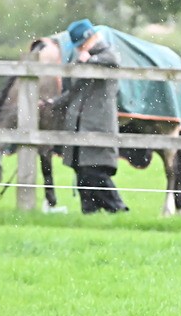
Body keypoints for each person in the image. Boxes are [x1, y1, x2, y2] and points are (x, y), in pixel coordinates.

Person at [44, 19, 129, 214]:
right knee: (82, 174)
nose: (79, 49)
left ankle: (118, 210)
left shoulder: (106, 54)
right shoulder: (83, 59)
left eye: (81, 44)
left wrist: (87, 61)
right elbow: (74, 91)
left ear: (90, 39)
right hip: (78, 126)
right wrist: (52, 104)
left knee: (95, 172)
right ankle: (90, 215)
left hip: (97, 125)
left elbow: (113, 60)